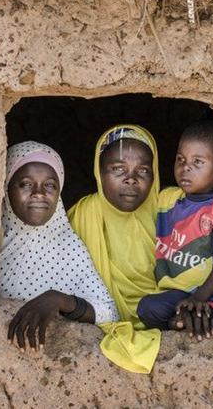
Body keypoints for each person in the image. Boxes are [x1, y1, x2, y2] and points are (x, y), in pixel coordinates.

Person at [137, 121, 213, 340]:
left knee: (193, 310)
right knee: (147, 307)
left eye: (197, 162)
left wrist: (199, 298)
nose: (185, 168)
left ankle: (193, 318)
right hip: (175, 295)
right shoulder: (167, 199)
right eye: (180, 159)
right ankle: (185, 320)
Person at [0, 141, 119, 351]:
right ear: (7, 186)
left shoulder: (69, 247)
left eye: (49, 185)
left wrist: (59, 300)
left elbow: (109, 312)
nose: (39, 193)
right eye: (26, 184)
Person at [67, 124, 161, 374]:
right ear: (99, 172)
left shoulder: (168, 214)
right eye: (118, 169)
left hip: (164, 320)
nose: (131, 179)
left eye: (143, 170)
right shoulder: (82, 216)